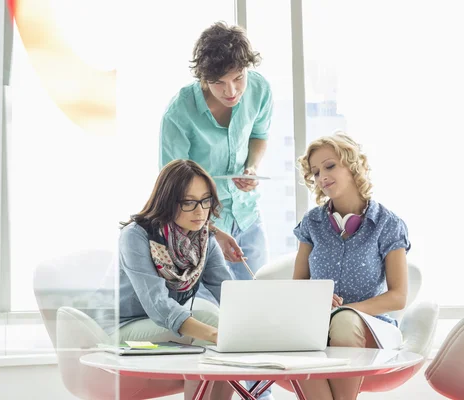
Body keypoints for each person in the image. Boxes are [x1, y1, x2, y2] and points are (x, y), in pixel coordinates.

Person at [293, 132, 410, 399]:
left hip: (371, 327)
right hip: (318, 325)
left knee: (345, 321)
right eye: (315, 171)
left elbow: (398, 296)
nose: (321, 176)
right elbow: (298, 285)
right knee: (294, 335)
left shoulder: (387, 224)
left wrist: (346, 310)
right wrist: (317, 300)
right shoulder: (312, 223)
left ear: (353, 166)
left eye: (330, 165)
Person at [159, 21, 274, 286]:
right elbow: (172, 189)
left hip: (248, 216)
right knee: (215, 310)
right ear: (202, 77)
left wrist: (251, 168)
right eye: (218, 83)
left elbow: (259, 135)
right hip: (202, 225)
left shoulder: (259, 90)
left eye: (238, 78)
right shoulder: (178, 114)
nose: (231, 91)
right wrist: (213, 233)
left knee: (261, 300)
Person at [116, 159, 234, 400]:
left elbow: (229, 292)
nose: (200, 211)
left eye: (205, 200)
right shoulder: (135, 236)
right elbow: (158, 306)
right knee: (208, 322)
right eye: (189, 202)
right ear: (168, 201)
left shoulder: (204, 241)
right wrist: (216, 333)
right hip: (123, 329)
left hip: (164, 328)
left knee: (221, 325)